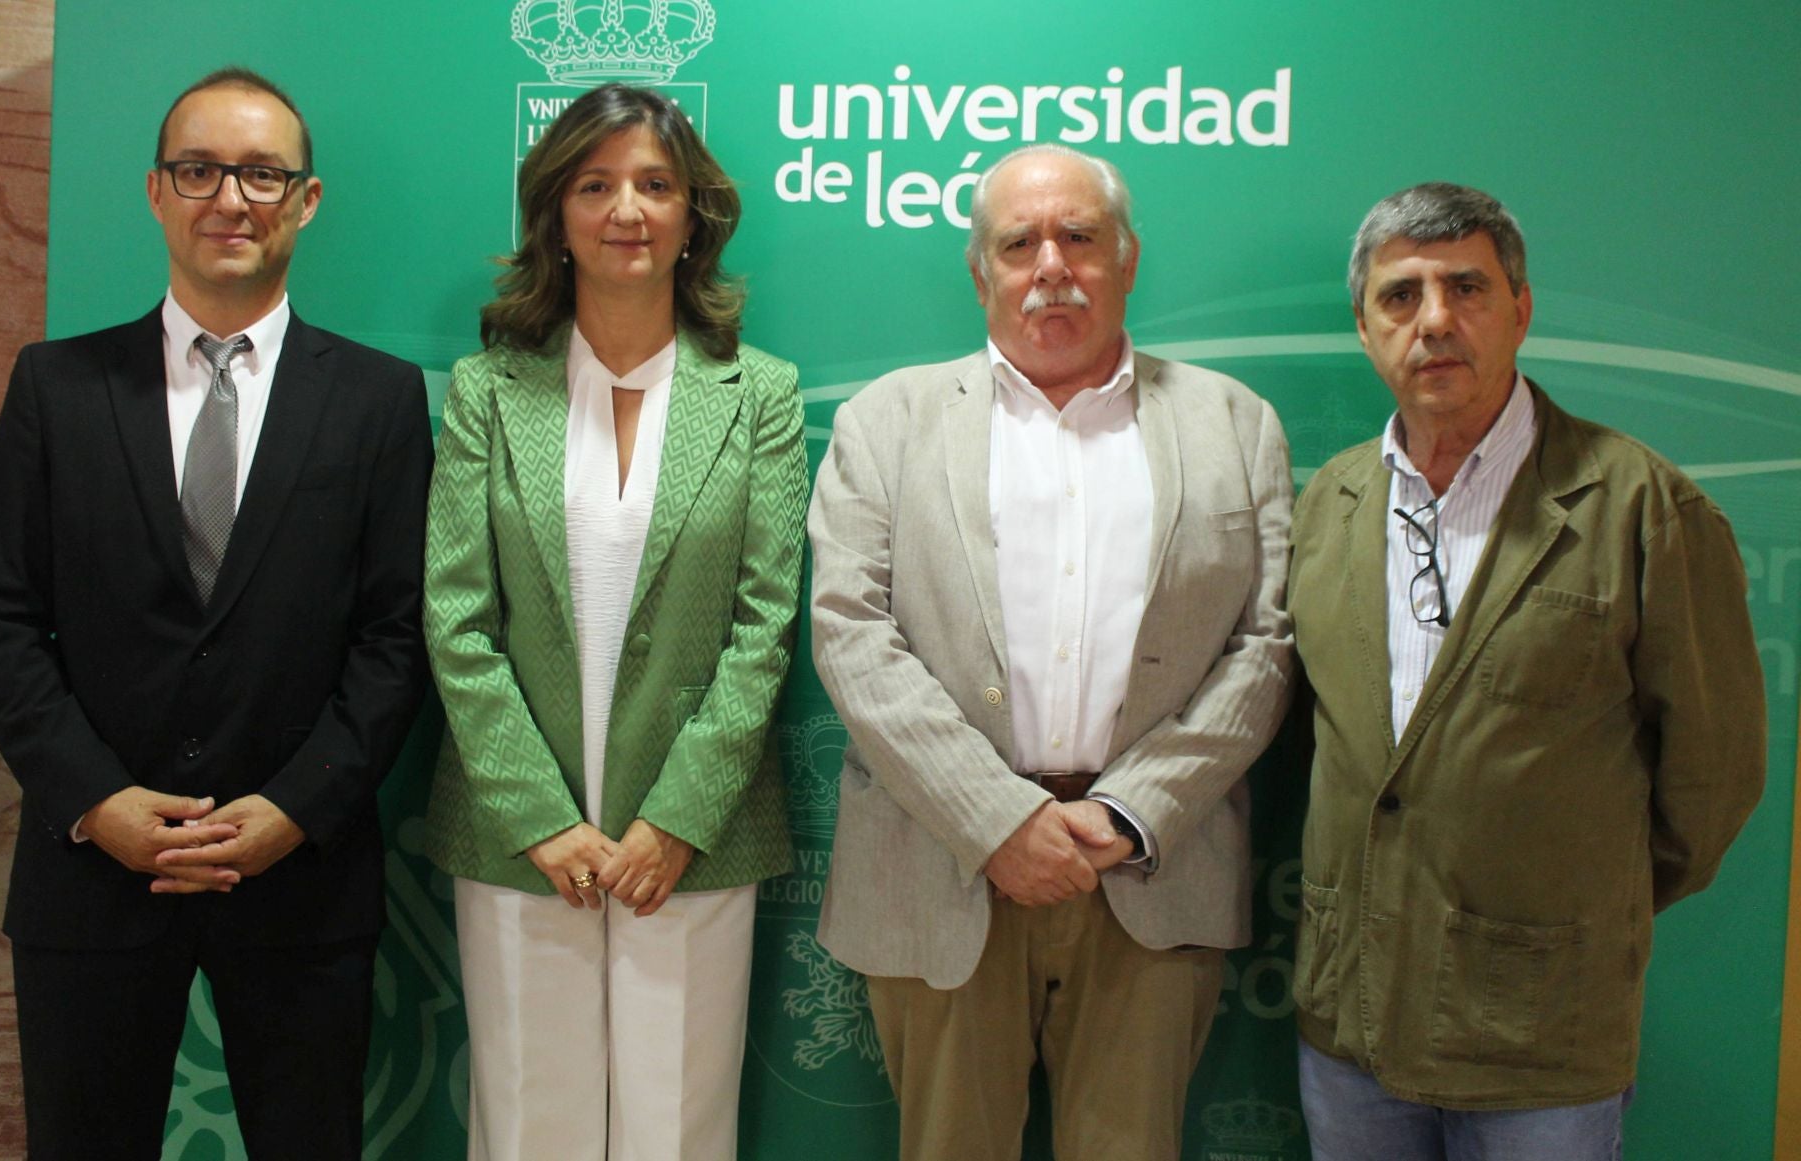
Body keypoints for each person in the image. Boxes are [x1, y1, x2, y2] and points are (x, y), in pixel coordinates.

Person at [0, 68, 432, 1159]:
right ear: (157, 192)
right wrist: (97, 801)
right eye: (201, 169)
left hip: (300, 876)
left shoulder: (376, 400)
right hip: (93, 874)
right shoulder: (56, 388)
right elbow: (0, 616)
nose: (232, 198)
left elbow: (395, 637)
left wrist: (294, 809)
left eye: (263, 173)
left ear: (305, 201)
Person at [808, 143, 1295, 1161]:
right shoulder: (885, 421)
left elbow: (1264, 645)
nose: (1050, 264)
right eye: (1018, 241)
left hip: (1152, 875)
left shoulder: (1235, 425)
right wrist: (998, 821)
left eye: (1079, 236)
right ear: (980, 271)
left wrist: (1129, 813)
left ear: (1127, 256)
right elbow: (851, 633)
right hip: (940, 867)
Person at [1289, 182, 1766, 1160]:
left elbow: (1711, 781)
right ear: (1365, 325)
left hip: (1540, 1034)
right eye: (1401, 296)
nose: (1435, 322)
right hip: (1353, 1023)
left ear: (1521, 308)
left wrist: (1565, 890)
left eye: (1466, 288)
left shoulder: (1640, 507)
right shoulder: (1329, 501)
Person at [422, 83, 805, 1161]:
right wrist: (538, 816)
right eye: (595, 185)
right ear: (555, 215)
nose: (626, 209)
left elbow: (764, 623)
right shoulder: (488, 391)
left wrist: (677, 817)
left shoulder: (759, 393)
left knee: (676, 1135)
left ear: (695, 216)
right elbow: (455, 618)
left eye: (654, 185)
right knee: (527, 1129)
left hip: (690, 840)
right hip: (518, 842)